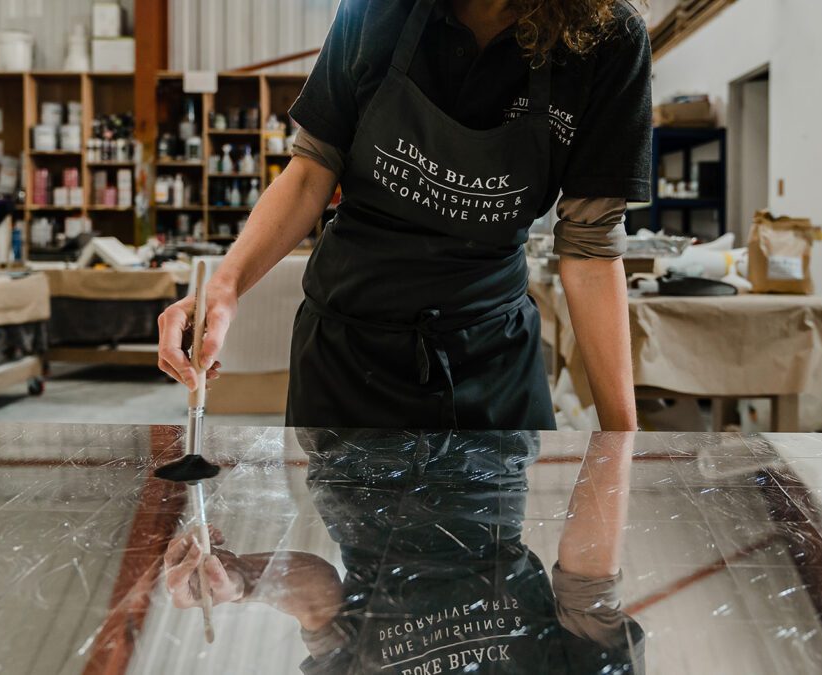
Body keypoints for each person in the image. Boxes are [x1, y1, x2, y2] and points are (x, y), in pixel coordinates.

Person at [158, 0, 652, 431]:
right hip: (348, 351)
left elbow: (590, 247)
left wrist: (621, 447)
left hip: (489, 357)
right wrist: (224, 286)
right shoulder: (377, 8)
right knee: (346, 532)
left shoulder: (608, 37)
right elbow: (312, 170)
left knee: (496, 538)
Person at [163, 430, 644, 673]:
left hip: (349, 454)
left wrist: (246, 580)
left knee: (356, 260)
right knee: (475, 258)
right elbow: (589, 578)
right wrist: (618, 428)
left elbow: (319, 599)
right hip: (482, 449)